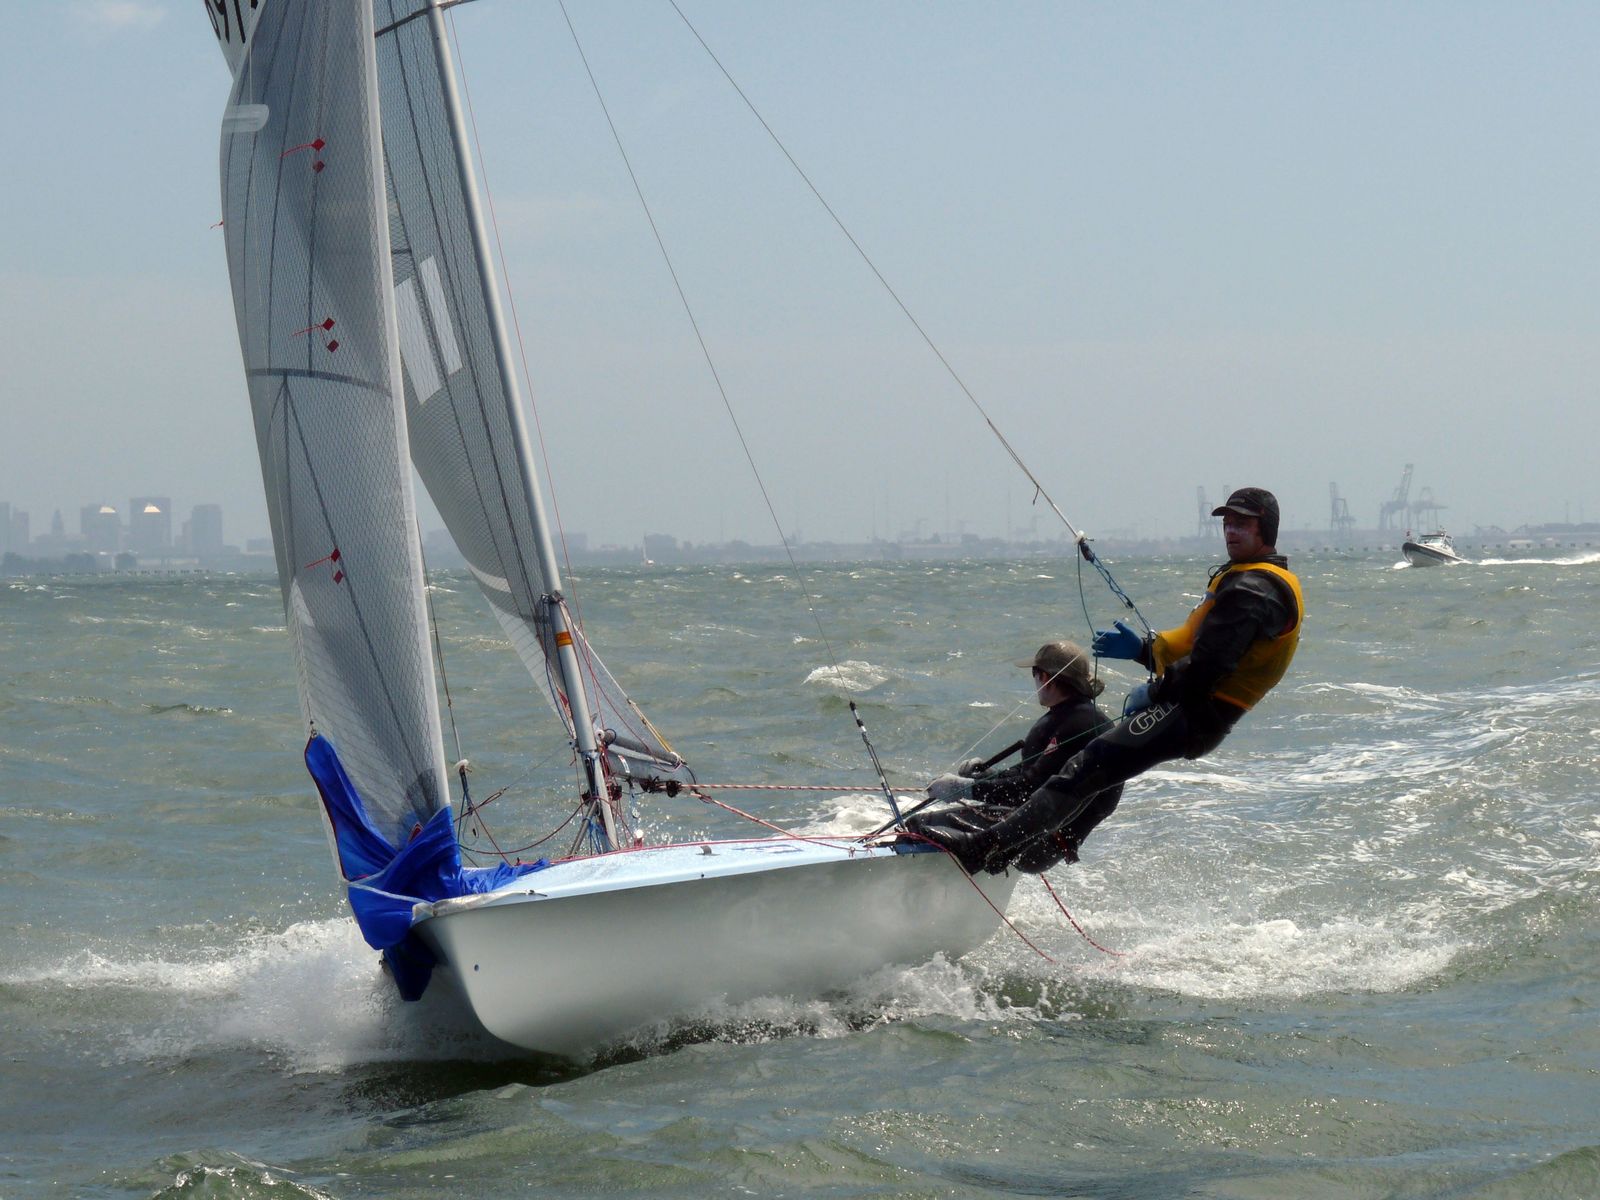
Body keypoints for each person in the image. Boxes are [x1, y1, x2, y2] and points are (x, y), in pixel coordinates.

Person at [918, 486, 1303, 875]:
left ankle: (982, 849)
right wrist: (1143, 650)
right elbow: (1197, 648)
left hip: (1197, 712)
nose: (1231, 531)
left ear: (1266, 528)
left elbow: (1209, 666)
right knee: (1091, 769)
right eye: (1228, 522)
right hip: (1191, 705)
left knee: (1086, 766)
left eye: (1242, 524)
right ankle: (998, 849)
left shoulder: (1256, 590)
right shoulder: (1246, 579)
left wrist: (1155, 691)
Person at [909, 640, 1122, 872]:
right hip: (1049, 840)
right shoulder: (1082, 718)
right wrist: (985, 776)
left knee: (920, 824)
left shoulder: (1074, 724)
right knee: (939, 824)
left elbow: (1028, 790)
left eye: (1034, 673)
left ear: (1045, 677)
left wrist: (965, 788)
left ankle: (925, 887)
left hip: (1033, 840)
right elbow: (1034, 775)